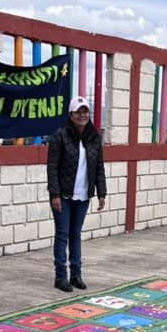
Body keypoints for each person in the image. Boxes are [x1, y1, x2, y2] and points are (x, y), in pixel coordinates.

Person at [47, 96, 107, 291]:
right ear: (71, 115)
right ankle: (60, 276)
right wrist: (55, 194)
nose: (82, 115)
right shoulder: (60, 135)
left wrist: (101, 193)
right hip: (62, 195)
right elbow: (52, 166)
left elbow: (99, 167)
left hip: (83, 195)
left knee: (76, 235)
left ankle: (76, 274)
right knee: (63, 235)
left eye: (85, 111)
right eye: (78, 112)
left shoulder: (94, 137)